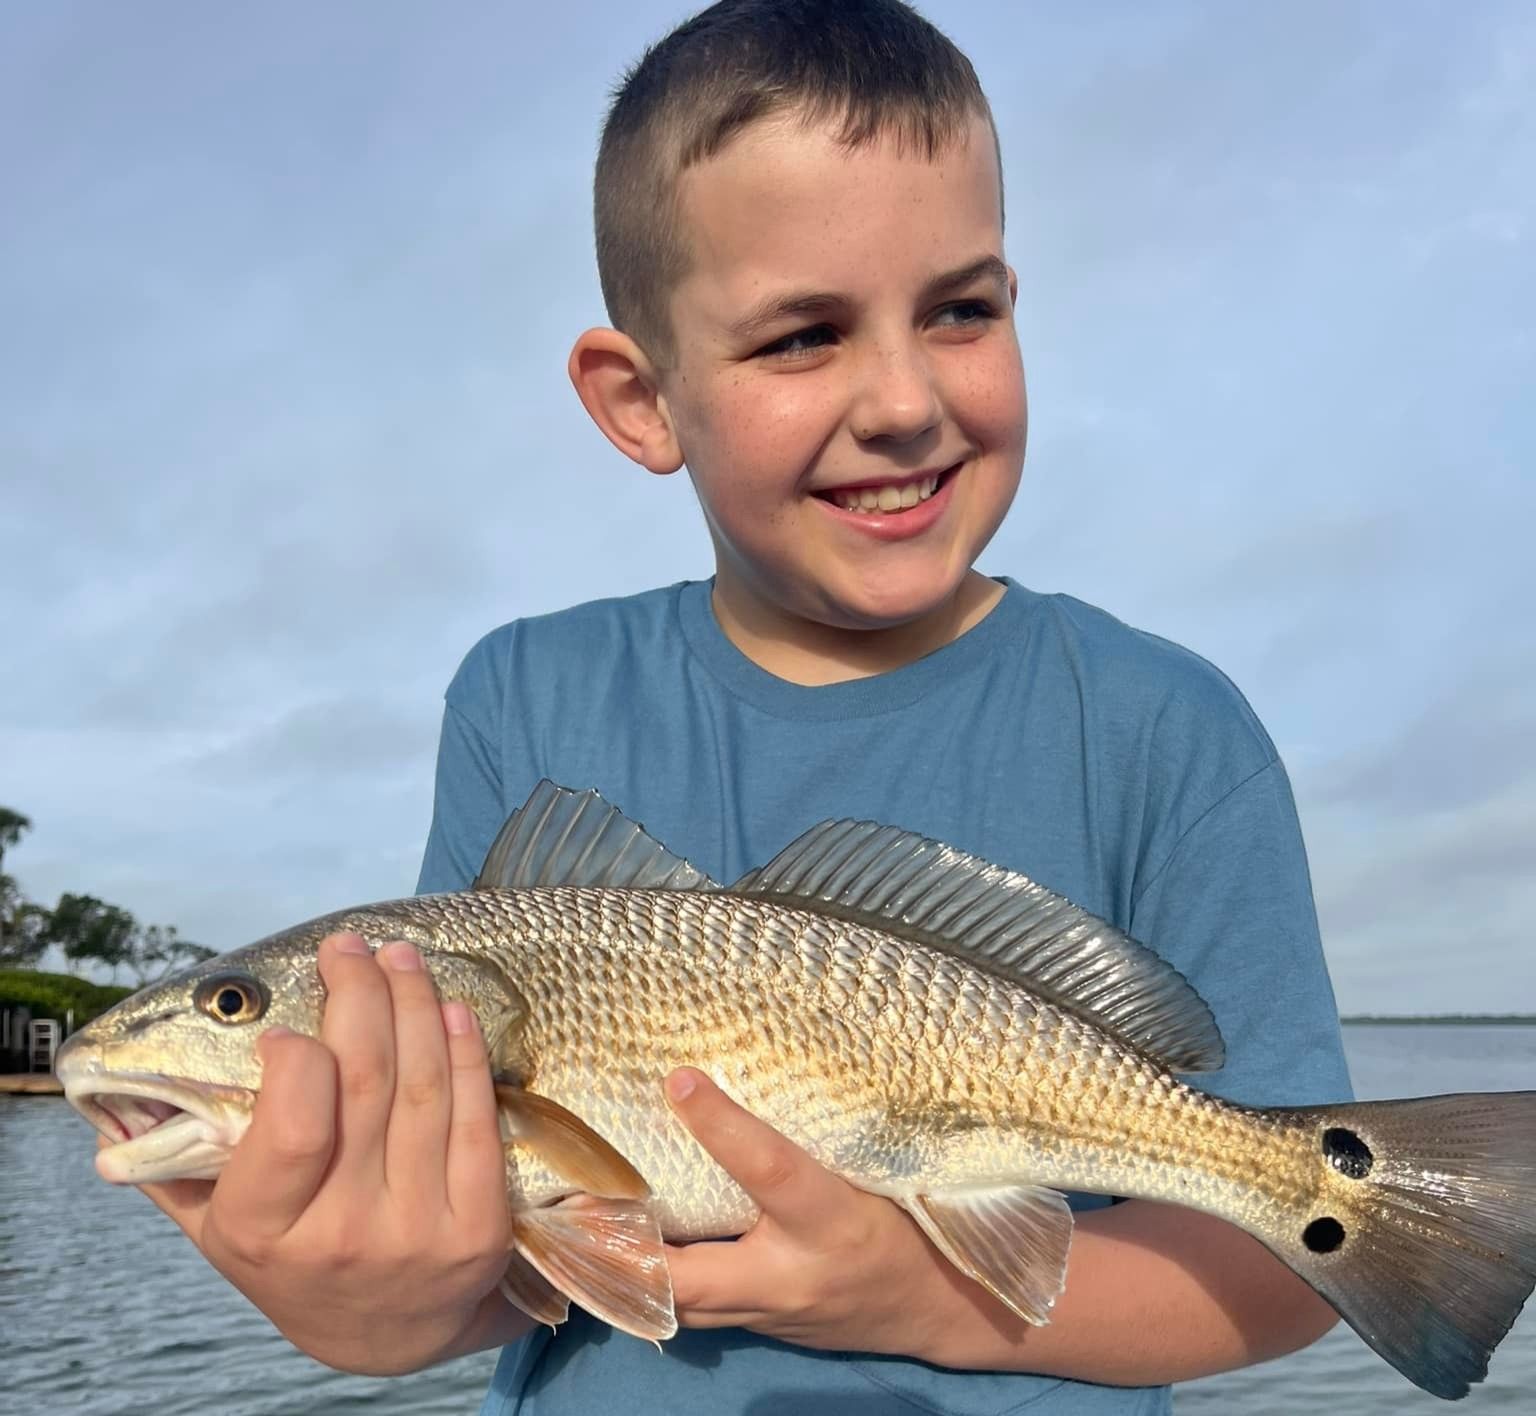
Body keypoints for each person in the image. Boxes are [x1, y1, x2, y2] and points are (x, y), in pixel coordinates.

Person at [139, 2, 1351, 1413]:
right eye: (801, 337)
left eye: (959, 309)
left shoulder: (1166, 723)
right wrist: (362, 1303)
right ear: (639, 400)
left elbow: (1300, 1254)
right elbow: (480, 1274)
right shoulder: (521, 696)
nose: (901, 400)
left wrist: (926, 1301)